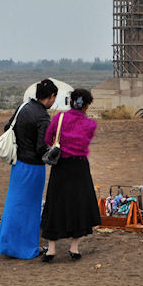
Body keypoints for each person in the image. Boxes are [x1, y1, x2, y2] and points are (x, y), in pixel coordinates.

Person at [0, 78, 58, 259]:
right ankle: (27, 248)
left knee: (14, 204)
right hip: (33, 169)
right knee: (30, 209)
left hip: (18, 165)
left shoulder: (23, 107)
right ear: (51, 97)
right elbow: (41, 148)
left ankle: (7, 244)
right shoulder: (42, 117)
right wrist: (54, 149)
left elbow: (8, 127)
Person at [40, 88, 101, 262]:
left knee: (55, 204)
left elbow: (47, 139)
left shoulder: (59, 118)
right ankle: (74, 248)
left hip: (61, 166)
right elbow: (85, 141)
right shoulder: (90, 124)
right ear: (86, 105)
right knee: (79, 205)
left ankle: (51, 249)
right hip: (80, 167)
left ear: (71, 102)